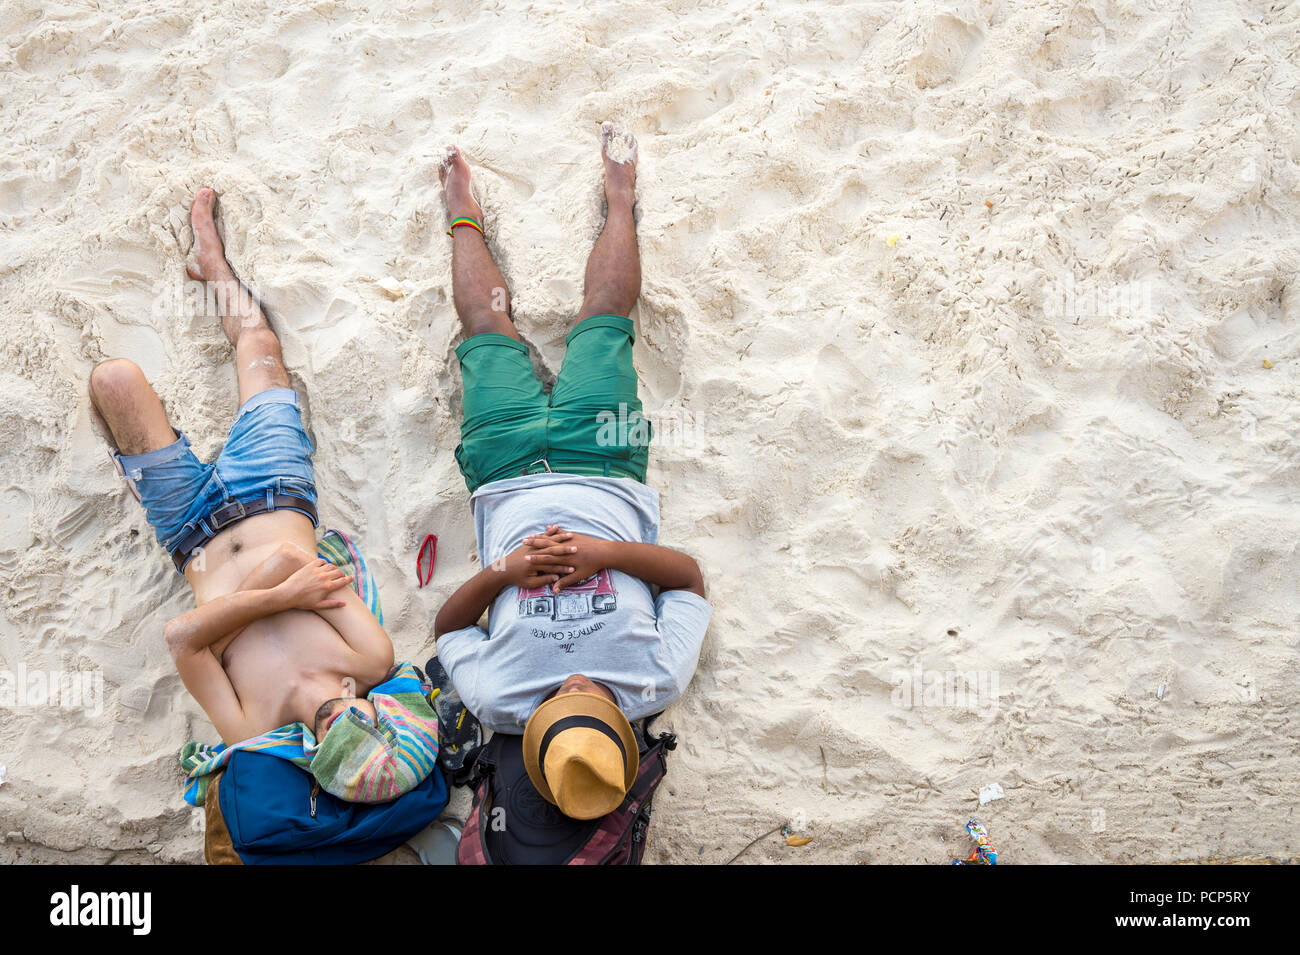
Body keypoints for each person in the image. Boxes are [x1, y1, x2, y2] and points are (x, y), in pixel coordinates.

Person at [90, 190, 434, 800]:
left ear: (319, 759)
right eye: (365, 731)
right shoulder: (371, 660)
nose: (340, 727)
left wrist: (274, 598)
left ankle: (158, 446)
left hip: (188, 528)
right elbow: (279, 569)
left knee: (113, 380)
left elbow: (181, 641)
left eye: (338, 748)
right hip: (273, 491)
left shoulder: (252, 728)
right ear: (382, 718)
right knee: (259, 348)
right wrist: (232, 617)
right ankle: (212, 263)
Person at [433, 124, 712, 820]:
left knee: (486, 330)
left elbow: (447, 629)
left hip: (504, 473)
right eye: (592, 695)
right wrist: (603, 553)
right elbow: (688, 579)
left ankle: (462, 210)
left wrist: (506, 572)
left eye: (562, 697)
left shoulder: (501, 700)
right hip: (604, 466)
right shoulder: (653, 679)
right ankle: (620, 200)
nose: (576, 680)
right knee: (602, 318)